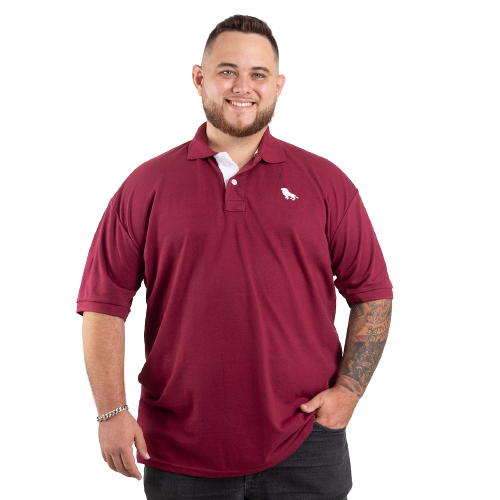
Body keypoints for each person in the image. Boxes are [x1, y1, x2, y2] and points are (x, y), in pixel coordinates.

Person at [77, 14, 393, 500]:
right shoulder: (147, 186)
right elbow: (103, 303)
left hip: (306, 445)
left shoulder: (326, 183)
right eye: (227, 71)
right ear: (199, 78)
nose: (242, 87)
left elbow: (372, 293)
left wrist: (348, 392)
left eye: (258, 74)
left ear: (278, 86)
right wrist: (111, 412)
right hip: (179, 450)